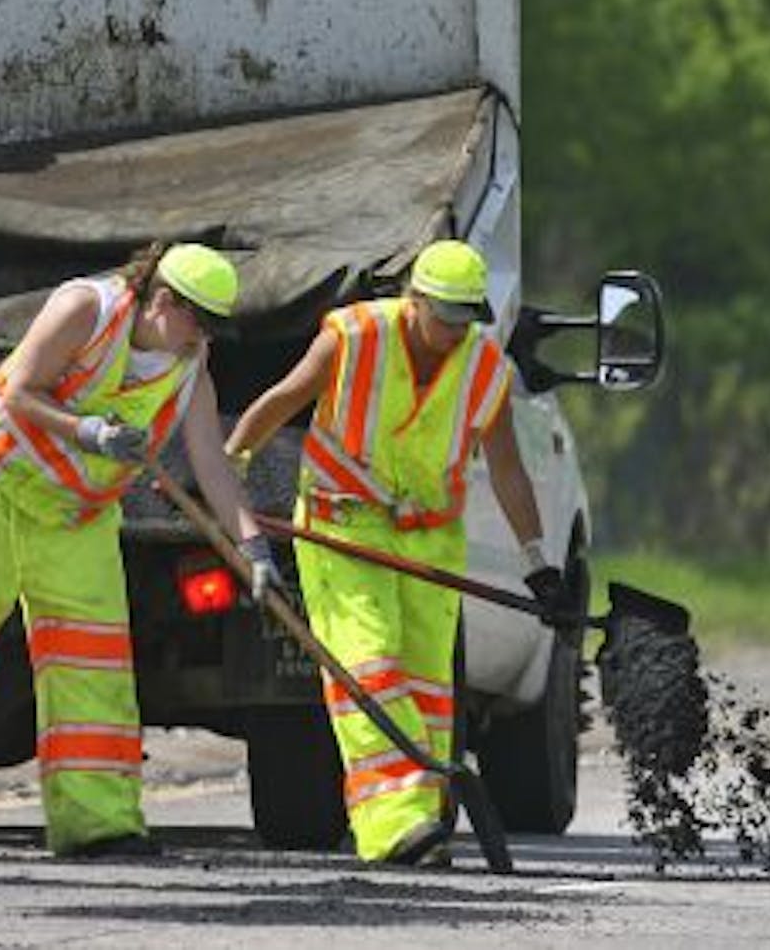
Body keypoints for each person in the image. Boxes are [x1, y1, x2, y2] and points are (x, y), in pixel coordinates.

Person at [0, 242, 277, 856]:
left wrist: (254, 548)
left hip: (74, 516)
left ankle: (98, 823)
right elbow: (18, 390)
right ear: (162, 300)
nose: (201, 338)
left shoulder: (190, 368)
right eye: (197, 320)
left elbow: (212, 465)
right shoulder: (85, 307)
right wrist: (91, 431)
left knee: (93, 671)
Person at [223, 239, 569, 866]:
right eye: (446, 319)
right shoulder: (353, 337)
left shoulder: (483, 367)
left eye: (468, 320)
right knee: (369, 670)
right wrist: (227, 471)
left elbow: (509, 470)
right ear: (413, 302)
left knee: (428, 686)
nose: (454, 334)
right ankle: (392, 826)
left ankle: (427, 818)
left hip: (431, 539)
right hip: (344, 530)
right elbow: (282, 400)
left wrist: (539, 562)